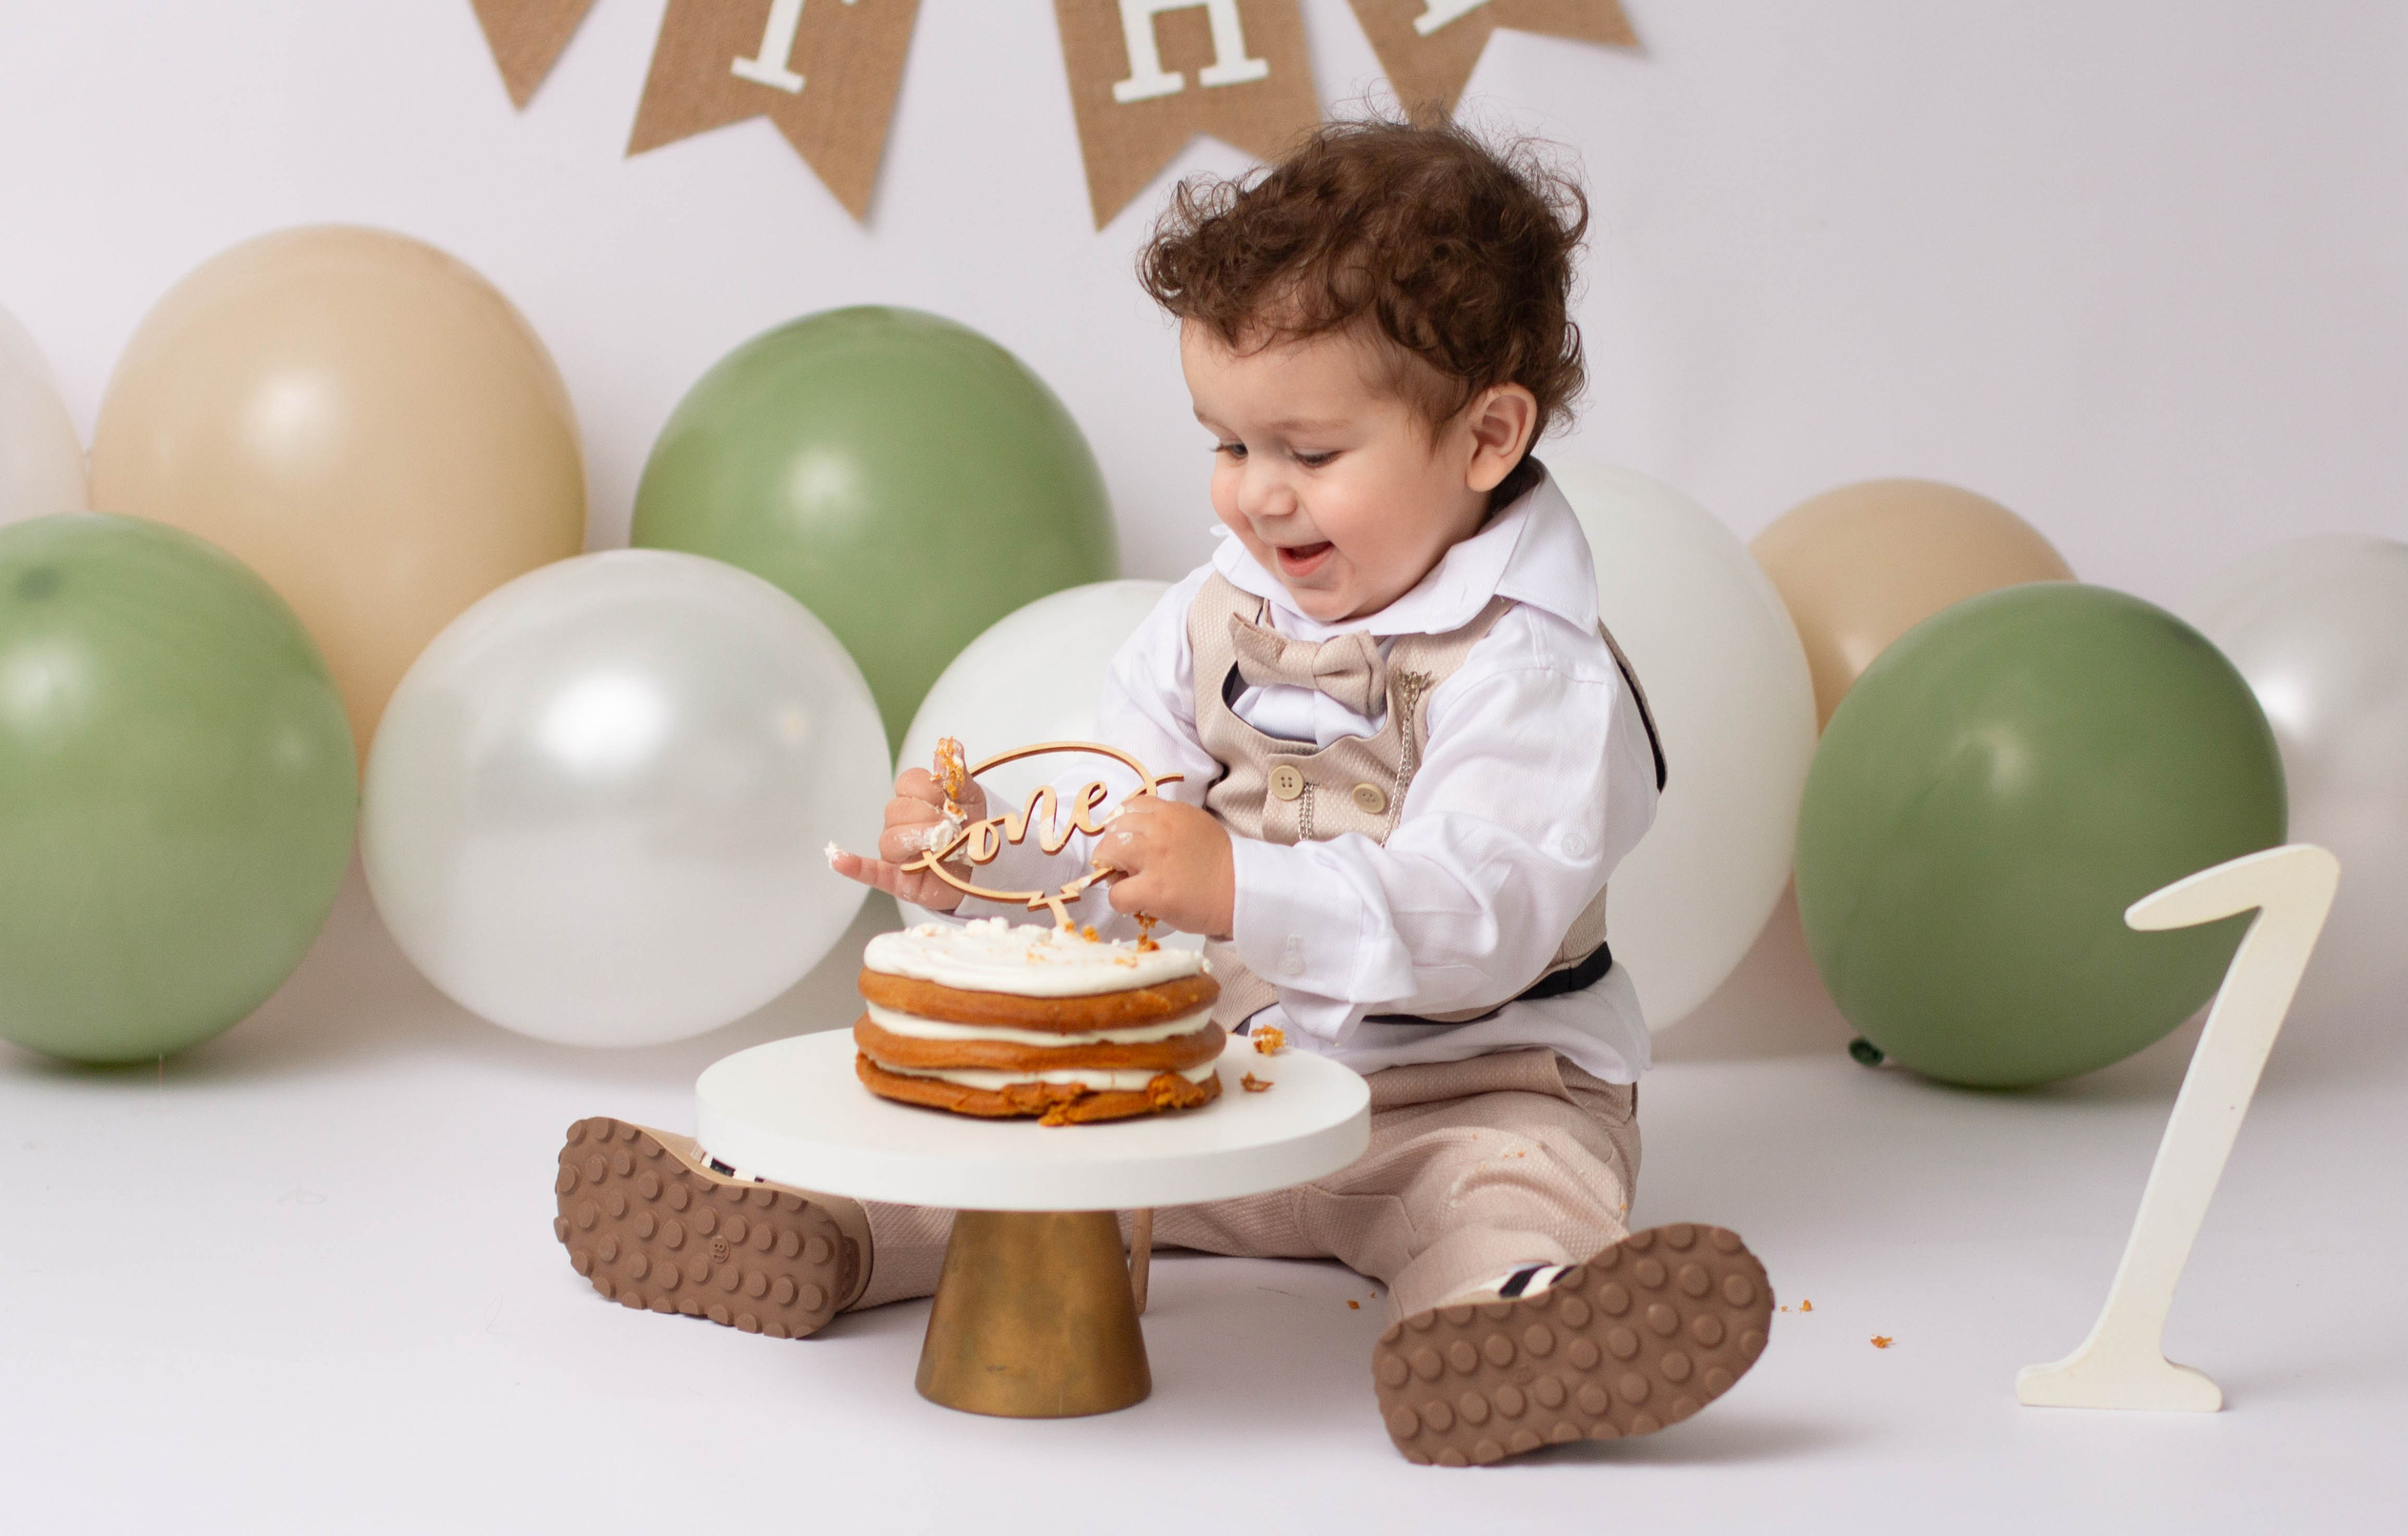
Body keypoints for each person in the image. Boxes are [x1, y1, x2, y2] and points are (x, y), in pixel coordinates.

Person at [558, 117, 1770, 1465]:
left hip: (1468, 1083)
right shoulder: (1215, 615)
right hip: (1234, 1080)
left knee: (1507, 1190)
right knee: (1031, 1163)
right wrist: (982, 862)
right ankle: (808, 1222)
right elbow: (1117, 831)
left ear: (1487, 437)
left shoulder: (1536, 667)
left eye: (1308, 453)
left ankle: (1512, 1320)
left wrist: (1237, 882)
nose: (1257, 497)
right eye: (1228, 444)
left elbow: (1482, 909)